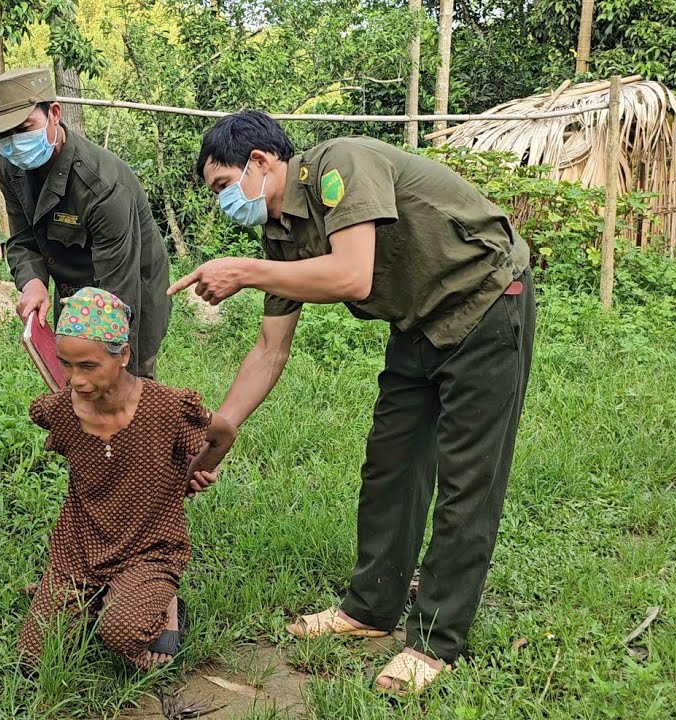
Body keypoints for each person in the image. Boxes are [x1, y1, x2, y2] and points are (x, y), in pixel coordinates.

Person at [174, 111, 535, 693]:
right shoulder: (280, 236)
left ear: (262, 163)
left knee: (468, 478)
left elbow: (352, 275)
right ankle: (369, 609)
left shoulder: (341, 165)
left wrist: (243, 272)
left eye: (223, 186)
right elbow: (270, 349)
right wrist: (223, 427)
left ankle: (436, 640)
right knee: (391, 464)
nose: (223, 203)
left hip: (487, 300)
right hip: (417, 322)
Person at [20, 287, 237, 670]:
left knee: (121, 633)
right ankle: (92, 594)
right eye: (66, 365)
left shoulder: (166, 407)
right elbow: (52, 402)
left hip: (150, 547)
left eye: (89, 366)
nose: (75, 380)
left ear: (123, 355)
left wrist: (195, 472)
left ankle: (164, 601)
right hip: (80, 550)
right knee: (33, 657)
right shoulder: (58, 411)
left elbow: (223, 434)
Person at [0, 67, 172, 378]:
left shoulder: (102, 185)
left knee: (125, 388)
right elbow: (23, 238)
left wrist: (108, 363)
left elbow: (119, 293)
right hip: (74, 290)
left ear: (54, 113)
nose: (15, 142)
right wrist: (33, 282)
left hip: (130, 285)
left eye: (24, 128)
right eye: (4, 135)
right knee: (74, 384)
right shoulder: (10, 166)